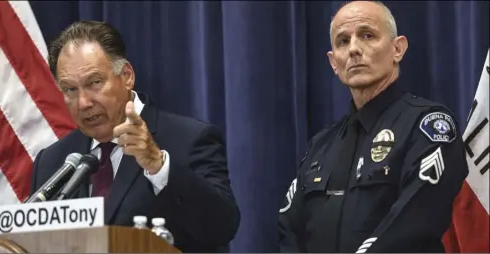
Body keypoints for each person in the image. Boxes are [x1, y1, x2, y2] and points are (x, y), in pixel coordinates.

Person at [29, 20, 240, 253]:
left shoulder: (189, 139)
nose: (83, 103)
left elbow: (222, 227)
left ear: (127, 75)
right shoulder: (53, 161)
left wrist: (159, 166)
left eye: (95, 82)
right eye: (70, 89)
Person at [278, 1, 469, 253]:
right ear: (334, 62)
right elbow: (289, 230)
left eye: (367, 35)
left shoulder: (428, 126)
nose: (354, 49)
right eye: (343, 41)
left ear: (397, 48)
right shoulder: (321, 145)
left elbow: (414, 224)